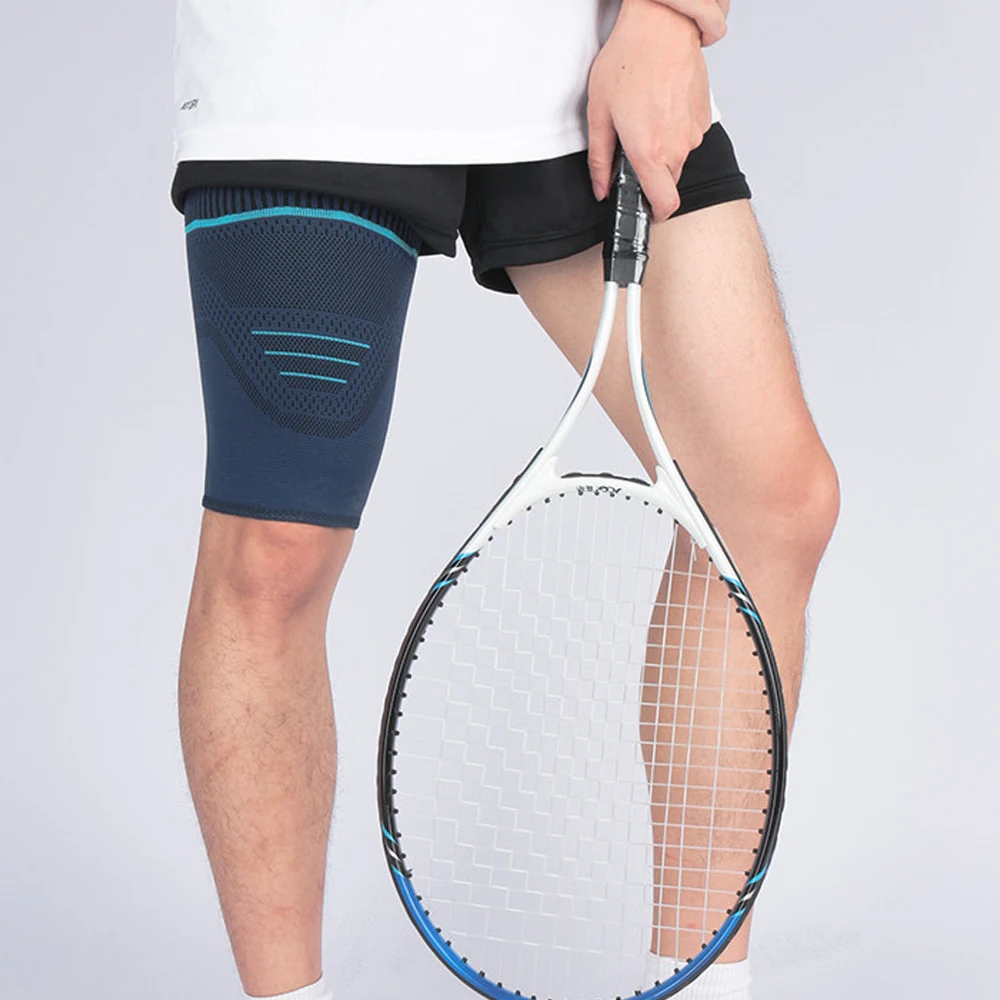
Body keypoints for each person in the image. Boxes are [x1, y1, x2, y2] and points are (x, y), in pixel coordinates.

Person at [169, 1, 840, 998]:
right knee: (274, 551)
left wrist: (671, 14)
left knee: (765, 505)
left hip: (578, 54)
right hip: (310, 60)